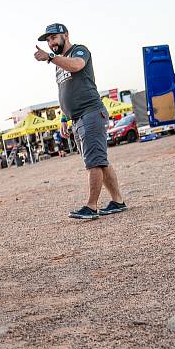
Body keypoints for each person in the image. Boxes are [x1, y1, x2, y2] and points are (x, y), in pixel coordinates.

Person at [33, 23, 127, 220]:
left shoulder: (79, 50)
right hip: (77, 118)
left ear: (65, 35)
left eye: (53, 37)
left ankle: (91, 207)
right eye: (48, 40)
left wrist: (50, 57)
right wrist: (64, 118)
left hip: (91, 112)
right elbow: (64, 92)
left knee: (94, 161)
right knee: (100, 160)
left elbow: (77, 65)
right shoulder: (58, 64)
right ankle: (118, 201)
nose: (50, 43)